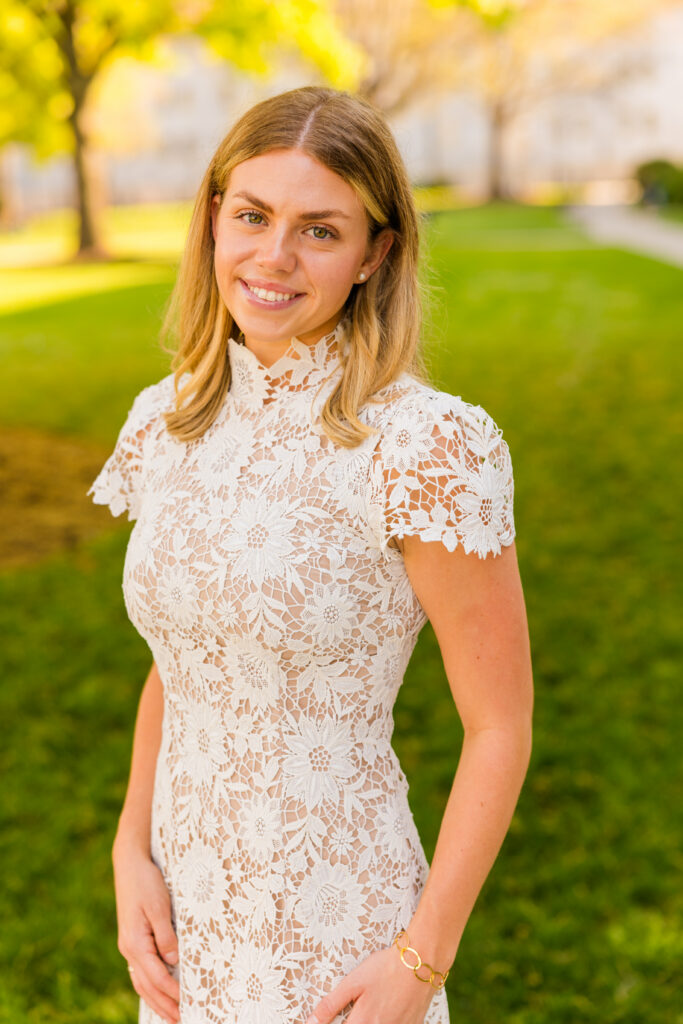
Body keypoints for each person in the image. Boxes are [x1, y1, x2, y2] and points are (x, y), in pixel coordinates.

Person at [87, 85, 534, 1024]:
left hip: (340, 925)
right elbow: (185, 657)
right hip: (185, 916)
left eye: (319, 230)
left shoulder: (424, 447)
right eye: (251, 215)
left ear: (376, 252)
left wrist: (419, 960)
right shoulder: (165, 421)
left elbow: (499, 728)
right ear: (213, 219)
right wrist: (131, 849)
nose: (273, 257)